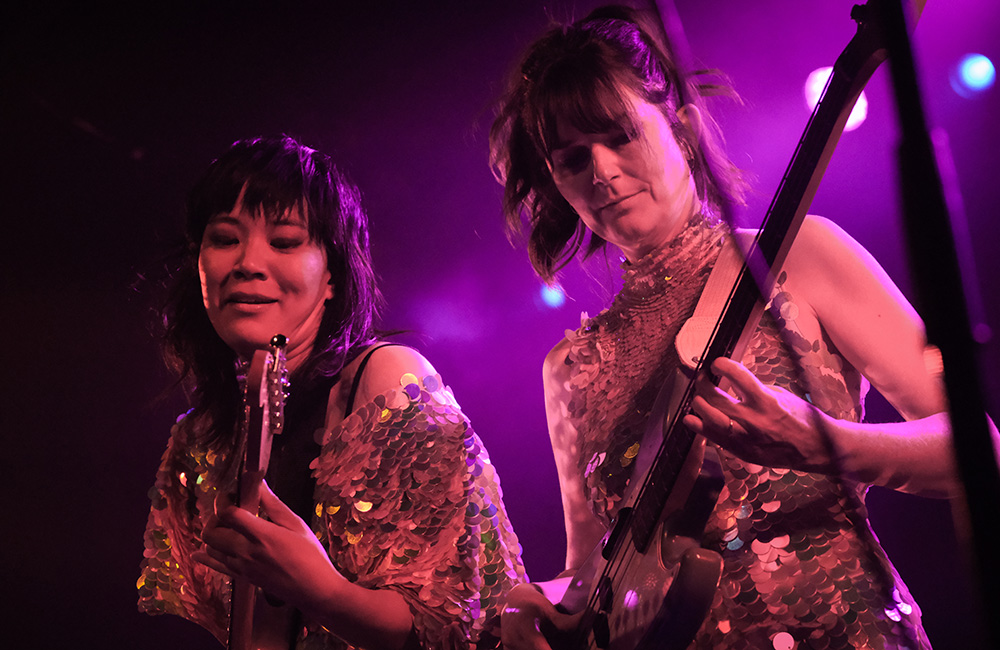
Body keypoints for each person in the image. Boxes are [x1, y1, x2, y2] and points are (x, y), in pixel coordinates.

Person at [489, 5, 996, 649]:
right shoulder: (568, 369)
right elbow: (596, 574)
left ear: (678, 122)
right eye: (571, 159)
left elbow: (980, 447)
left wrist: (828, 444)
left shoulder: (796, 254)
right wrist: (536, 606)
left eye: (618, 135)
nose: (602, 172)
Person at [137, 135, 526, 650]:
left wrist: (319, 590)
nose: (248, 263)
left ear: (332, 277)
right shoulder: (201, 433)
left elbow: (458, 625)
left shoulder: (386, 383)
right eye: (225, 238)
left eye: (284, 242)